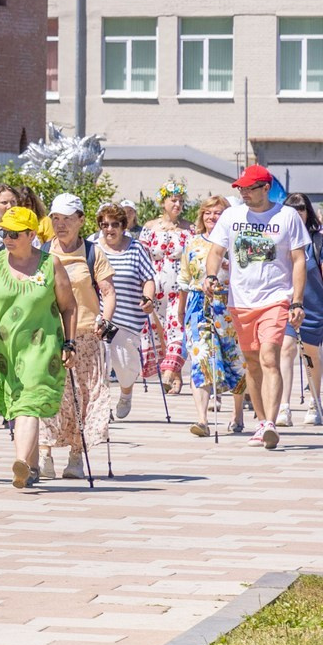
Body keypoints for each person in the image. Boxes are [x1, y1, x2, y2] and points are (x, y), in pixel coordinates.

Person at [202, 165, 308, 449]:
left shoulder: (287, 216)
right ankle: (261, 422)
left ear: (266, 188)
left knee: (269, 357)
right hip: (241, 301)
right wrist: (211, 276)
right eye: (242, 189)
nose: (244, 193)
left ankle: (271, 422)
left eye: (250, 188)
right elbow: (216, 251)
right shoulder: (232, 216)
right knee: (251, 363)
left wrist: (297, 300)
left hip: (276, 298)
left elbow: (299, 259)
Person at [0, 205, 78, 488]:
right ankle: (31, 468)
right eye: (4, 233)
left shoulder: (51, 264)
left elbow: (69, 306)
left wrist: (70, 343)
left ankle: (20, 462)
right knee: (18, 404)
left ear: (32, 235)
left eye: (15, 234)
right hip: (5, 349)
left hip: (42, 347)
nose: (7, 238)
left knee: (27, 405)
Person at [43, 194, 108, 477]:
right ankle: (44, 454)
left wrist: (105, 318)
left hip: (85, 335)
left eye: (67, 219)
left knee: (82, 396)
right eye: (56, 218)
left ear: (81, 220)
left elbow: (108, 292)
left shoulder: (93, 253)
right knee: (48, 393)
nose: (61, 224)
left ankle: (76, 455)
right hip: (50, 334)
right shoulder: (43, 252)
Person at [183, 194, 246, 439]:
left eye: (217, 212)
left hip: (229, 305)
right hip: (199, 304)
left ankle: (237, 413)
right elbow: (185, 278)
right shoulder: (193, 243)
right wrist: (181, 309)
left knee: (235, 360)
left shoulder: (237, 241)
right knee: (200, 357)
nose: (212, 217)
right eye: (207, 213)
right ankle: (202, 419)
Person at [92, 203, 158, 422]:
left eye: (114, 225)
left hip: (129, 318)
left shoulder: (136, 248)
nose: (109, 229)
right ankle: (102, 408)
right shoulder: (93, 247)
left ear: (123, 226)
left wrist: (148, 299)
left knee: (125, 365)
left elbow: (148, 278)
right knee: (100, 365)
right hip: (100, 316)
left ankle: (126, 392)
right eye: (105, 225)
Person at [136, 180, 197, 393]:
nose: (177, 205)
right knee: (160, 331)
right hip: (155, 287)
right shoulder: (150, 227)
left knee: (177, 328)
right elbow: (141, 257)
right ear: (163, 202)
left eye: (180, 201)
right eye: (173, 200)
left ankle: (170, 372)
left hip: (179, 288)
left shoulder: (189, 229)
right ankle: (173, 374)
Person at [290, 194, 323, 427]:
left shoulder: (317, 240)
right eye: (292, 209)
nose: (297, 214)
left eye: (301, 209)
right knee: (284, 351)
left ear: (308, 213)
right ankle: (283, 406)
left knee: (309, 355)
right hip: (284, 305)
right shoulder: (278, 238)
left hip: (314, 306)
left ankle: (315, 402)